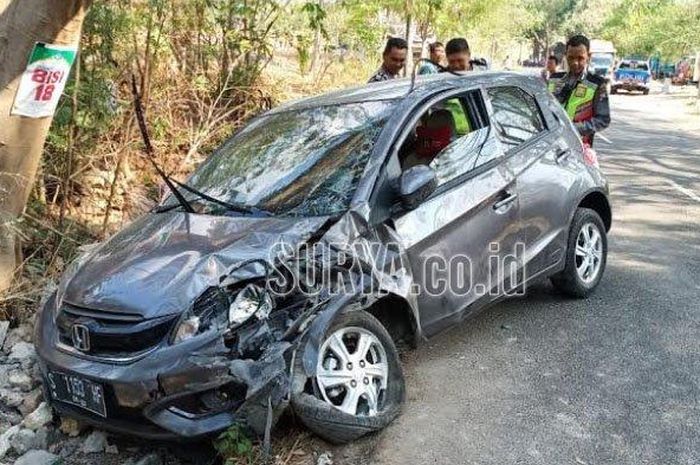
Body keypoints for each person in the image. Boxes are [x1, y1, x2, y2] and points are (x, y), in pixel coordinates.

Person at [548, 34, 610, 146]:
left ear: (588, 56)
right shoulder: (554, 80)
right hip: (551, 145)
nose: (575, 63)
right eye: (571, 58)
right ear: (565, 55)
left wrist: (574, 129)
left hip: (579, 148)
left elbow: (603, 120)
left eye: (580, 58)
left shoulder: (597, 84)